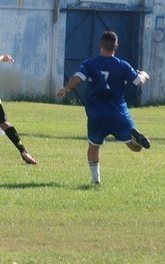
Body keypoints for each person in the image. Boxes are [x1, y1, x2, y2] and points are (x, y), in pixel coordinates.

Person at [57, 30, 151, 185]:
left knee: (94, 146)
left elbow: (78, 78)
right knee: (135, 148)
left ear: (100, 45)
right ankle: (137, 139)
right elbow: (137, 82)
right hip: (118, 113)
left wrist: (66, 88)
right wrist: (144, 76)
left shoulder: (90, 63)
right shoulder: (123, 65)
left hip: (97, 114)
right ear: (116, 46)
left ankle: (96, 181)